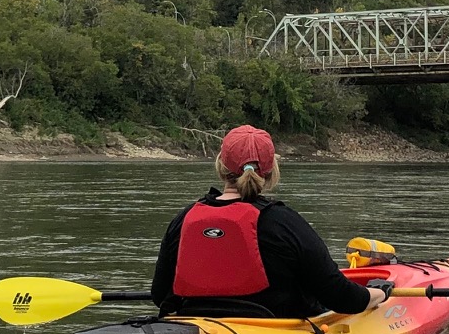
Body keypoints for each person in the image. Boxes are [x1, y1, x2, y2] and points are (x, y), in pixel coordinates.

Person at [151, 125, 388, 319]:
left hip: (199, 330)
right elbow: (343, 299)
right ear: (271, 170)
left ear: (221, 167)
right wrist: (379, 295)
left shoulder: (184, 219)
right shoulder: (284, 223)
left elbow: (160, 295)